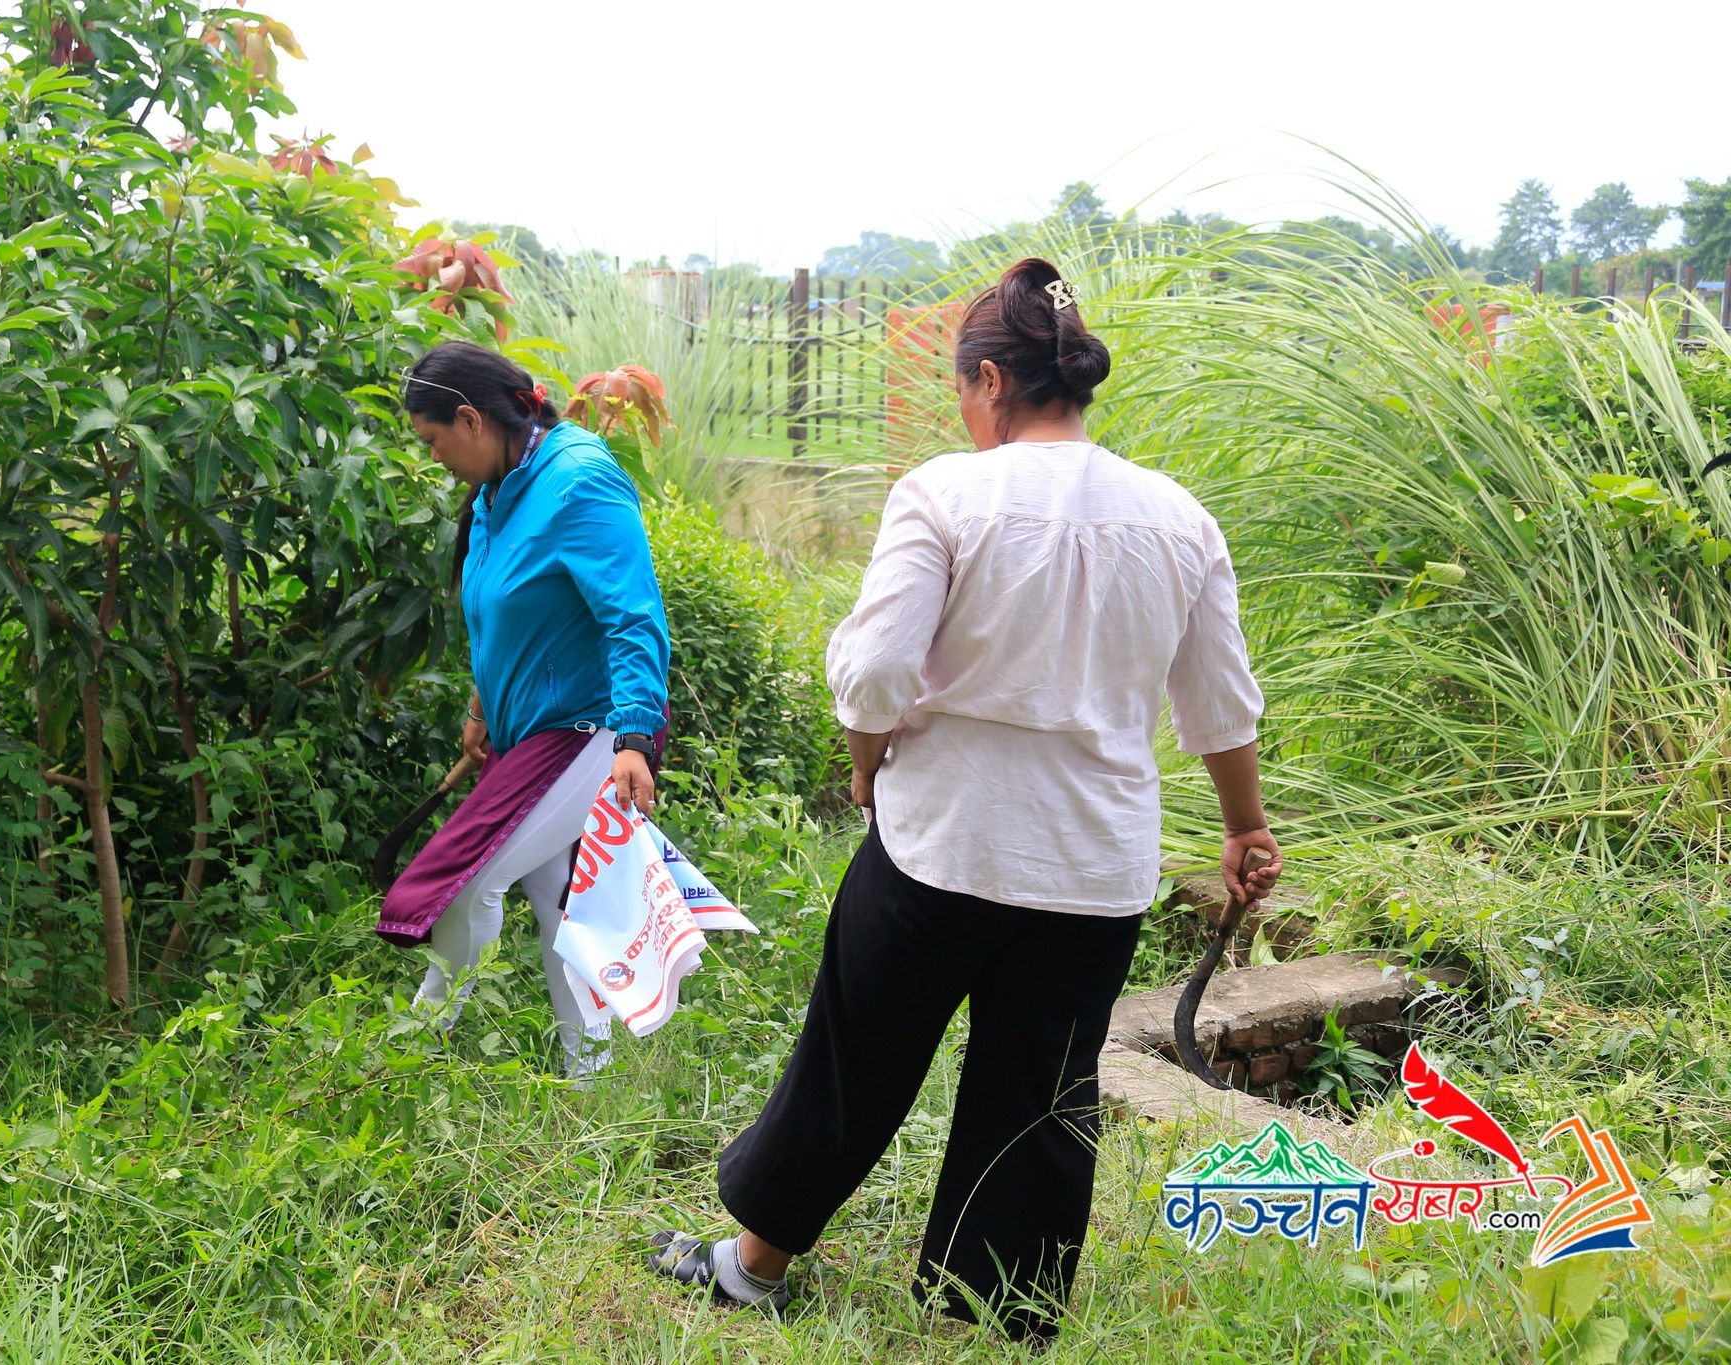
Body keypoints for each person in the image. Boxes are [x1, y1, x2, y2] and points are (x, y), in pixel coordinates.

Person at [647, 259, 1282, 1339]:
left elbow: (872, 675)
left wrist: (862, 759)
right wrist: (1244, 827)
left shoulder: (945, 493)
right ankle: (995, 1318)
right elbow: (1218, 704)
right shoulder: (1179, 519)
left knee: (856, 1056)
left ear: (989, 381)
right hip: (1092, 868)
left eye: (960, 391)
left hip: (941, 846)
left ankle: (752, 1268)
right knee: (1039, 1090)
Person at [375, 340, 671, 1081]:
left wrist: (634, 737)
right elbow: (502, 611)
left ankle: (418, 1047)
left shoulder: (578, 482)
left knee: (466, 883)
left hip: (586, 728)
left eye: (433, 439)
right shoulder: (496, 488)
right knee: (555, 900)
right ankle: (590, 1080)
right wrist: (482, 705)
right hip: (526, 731)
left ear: (471, 418)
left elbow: (632, 615)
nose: (432, 456)